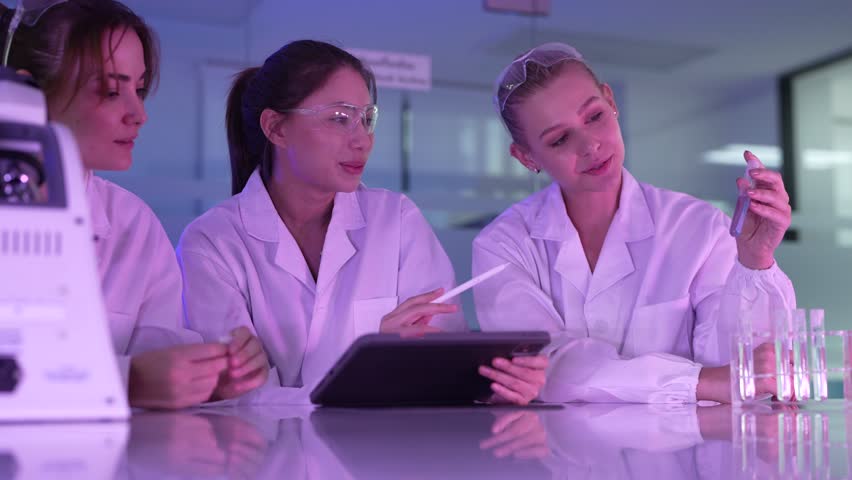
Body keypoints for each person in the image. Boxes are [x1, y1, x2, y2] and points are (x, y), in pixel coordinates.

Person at [177, 39, 547, 405]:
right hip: (268, 460)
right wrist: (365, 356)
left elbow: (443, 369)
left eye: (366, 119)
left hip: (385, 456)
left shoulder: (397, 221)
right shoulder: (213, 244)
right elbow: (237, 399)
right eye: (339, 118)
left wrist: (496, 386)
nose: (363, 140)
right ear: (276, 128)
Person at [472, 42, 796, 404]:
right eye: (560, 138)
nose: (590, 146)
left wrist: (755, 260)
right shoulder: (504, 245)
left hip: (681, 457)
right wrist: (702, 384)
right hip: (555, 456)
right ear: (526, 156)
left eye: (594, 116)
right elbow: (547, 369)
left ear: (610, 101)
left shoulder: (698, 227)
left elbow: (748, 372)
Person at [1, 0, 268, 408]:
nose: (138, 113)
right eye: (111, 90)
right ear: (26, 93)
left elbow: (160, 361)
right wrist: (124, 382)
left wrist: (209, 374)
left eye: (138, 89)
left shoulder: (134, 225)